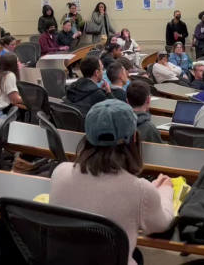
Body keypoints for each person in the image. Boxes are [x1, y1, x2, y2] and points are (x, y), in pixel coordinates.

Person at [50, 99, 174, 265]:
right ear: (134, 138)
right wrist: (165, 191)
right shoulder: (140, 191)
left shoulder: (60, 172)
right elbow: (162, 224)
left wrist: (147, 191)